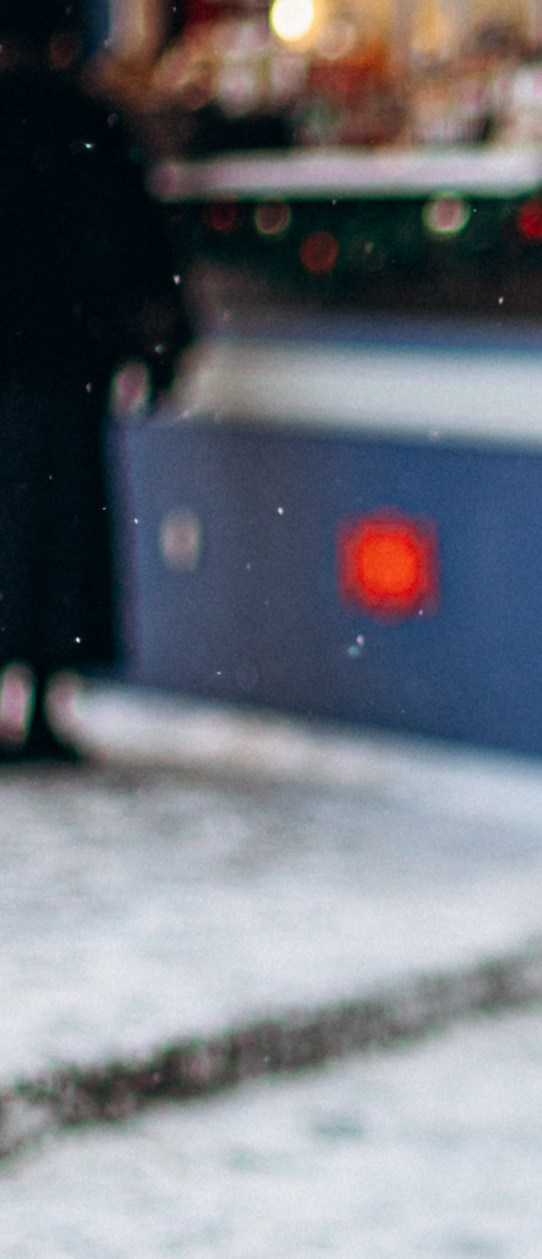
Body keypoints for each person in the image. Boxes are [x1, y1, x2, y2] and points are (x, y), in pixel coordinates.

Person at [0, 0, 189, 763]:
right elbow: (137, 240)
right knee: (60, 528)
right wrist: (158, 336)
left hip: (20, 354)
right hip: (67, 359)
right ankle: (46, 695)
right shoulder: (90, 121)